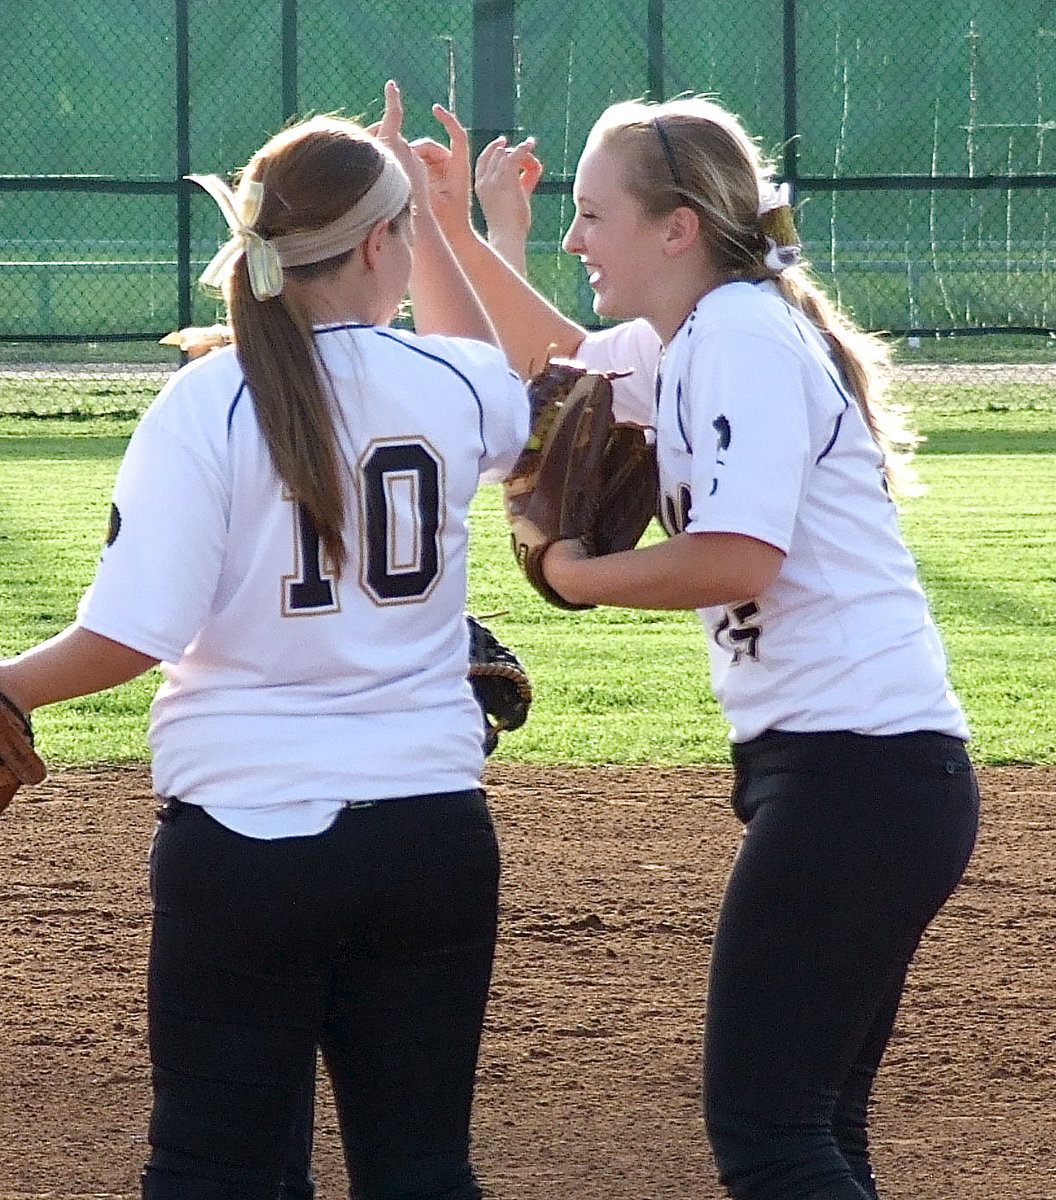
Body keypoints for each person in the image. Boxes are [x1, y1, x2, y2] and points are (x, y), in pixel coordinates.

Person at [419, 99, 981, 1199]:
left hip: (858, 772)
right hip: (867, 771)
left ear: (677, 228)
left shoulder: (738, 339)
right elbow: (551, 362)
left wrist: (577, 579)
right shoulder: (703, 333)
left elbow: (735, 558)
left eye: (594, 215)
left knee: (770, 1136)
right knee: (813, 1132)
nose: (576, 239)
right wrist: (449, 227)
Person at [0, 79, 529, 1200]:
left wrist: (7, 686)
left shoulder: (208, 403)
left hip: (246, 848)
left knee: (215, 1171)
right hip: (431, 838)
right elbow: (495, 378)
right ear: (387, 245)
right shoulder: (451, 385)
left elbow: (131, 636)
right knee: (424, 1168)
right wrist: (439, 219)